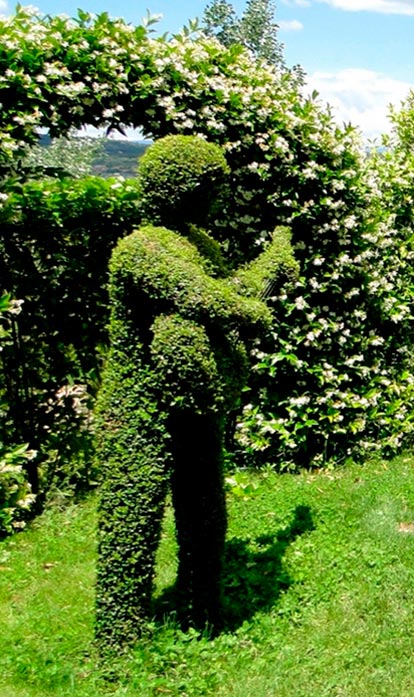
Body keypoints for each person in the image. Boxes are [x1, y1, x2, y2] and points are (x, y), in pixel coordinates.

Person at [95, 135, 296, 652]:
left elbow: (234, 287)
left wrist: (274, 260)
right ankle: (116, 643)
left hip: (195, 408)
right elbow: (200, 294)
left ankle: (201, 609)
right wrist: (251, 314)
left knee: (204, 515)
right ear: (177, 187)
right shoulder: (142, 247)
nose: (214, 199)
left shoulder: (199, 243)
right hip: (139, 412)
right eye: (207, 188)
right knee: (131, 525)